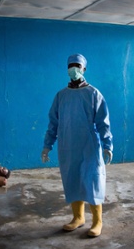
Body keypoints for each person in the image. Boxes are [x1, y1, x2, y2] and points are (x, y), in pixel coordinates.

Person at [41, 53, 113, 237]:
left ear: (84, 69)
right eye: (71, 65)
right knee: (72, 180)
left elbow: (103, 122)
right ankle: (78, 218)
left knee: (92, 181)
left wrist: (107, 145)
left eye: (77, 65)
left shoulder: (93, 94)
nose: (74, 69)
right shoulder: (61, 96)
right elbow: (53, 123)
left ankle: (97, 222)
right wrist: (47, 145)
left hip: (89, 146)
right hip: (68, 147)